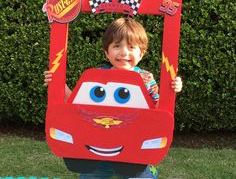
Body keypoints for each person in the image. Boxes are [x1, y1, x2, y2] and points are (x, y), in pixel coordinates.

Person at [44, 17, 183, 179]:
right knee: (93, 175)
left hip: (132, 146)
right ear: (107, 52)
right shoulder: (97, 76)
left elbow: (158, 109)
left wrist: (171, 89)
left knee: (137, 175)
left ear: (141, 53)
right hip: (96, 145)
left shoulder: (146, 78)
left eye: (131, 47)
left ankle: (147, 171)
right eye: (117, 46)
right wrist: (58, 83)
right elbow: (75, 103)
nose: (124, 52)